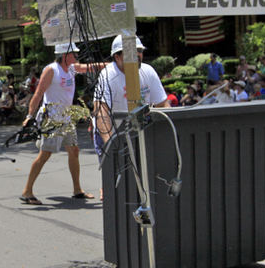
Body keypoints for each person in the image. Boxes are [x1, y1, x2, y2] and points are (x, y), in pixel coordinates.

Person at [19, 43, 97, 205]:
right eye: (73, 53)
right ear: (64, 55)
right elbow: (39, 93)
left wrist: (113, 63)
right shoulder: (52, 70)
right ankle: (27, 192)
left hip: (66, 118)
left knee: (74, 150)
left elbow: (87, 67)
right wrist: (29, 115)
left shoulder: (72, 69)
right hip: (52, 119)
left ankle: (77, 190)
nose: (76, 56)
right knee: (45, 154)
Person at [93, 35, 169, 157]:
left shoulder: (148, 71)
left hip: (139, 132)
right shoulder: (108, 75)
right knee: (116, 174)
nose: (138, 55)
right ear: (117, 57)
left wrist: (166, 133)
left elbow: (163, 104)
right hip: (112, 133)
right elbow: (101, 111)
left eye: (140, 51)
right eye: (132, 51)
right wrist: (110, 144)